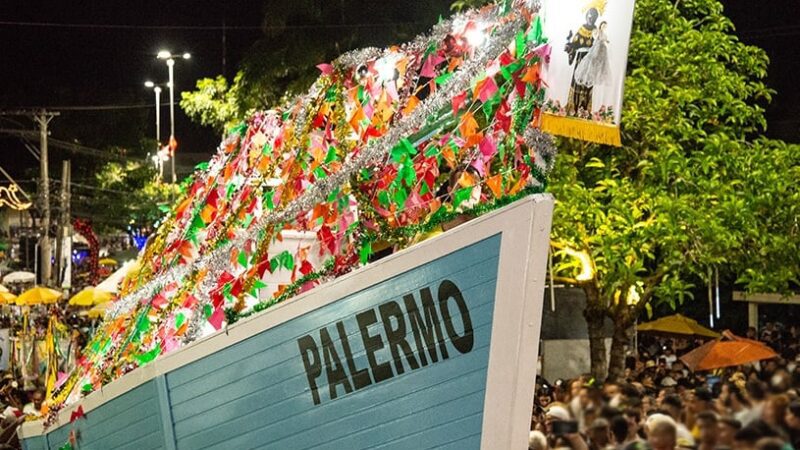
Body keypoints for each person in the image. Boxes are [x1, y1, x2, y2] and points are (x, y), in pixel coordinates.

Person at [564, 7, 600, 116]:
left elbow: (599, 47)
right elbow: (574, 45)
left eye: (593, 17)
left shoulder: (597, 32)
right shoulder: (581, 29)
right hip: (580, 61)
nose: (590, 18)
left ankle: (584, 110)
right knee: (577, 83)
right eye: (589, 16)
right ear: (586, 16)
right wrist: (569, 44)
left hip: (590, 63)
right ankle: (573, 108)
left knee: (587, 85)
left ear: (595, 18)